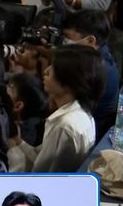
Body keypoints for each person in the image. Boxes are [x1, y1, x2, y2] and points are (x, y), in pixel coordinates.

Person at [10, 45, 104, 173]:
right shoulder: (83, 113)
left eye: (53, 68)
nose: (46, 71)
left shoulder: (64, 126)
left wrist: (12, 150)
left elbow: (42, 174)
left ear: (70, 80)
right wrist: (18, 141)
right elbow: (41, 158)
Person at [62, 9, 119, 139]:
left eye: (68, 38)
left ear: (90, 41)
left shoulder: (97, 70)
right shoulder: (97, 54)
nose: (65, 42)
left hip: (85, 132)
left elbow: (64, 101)